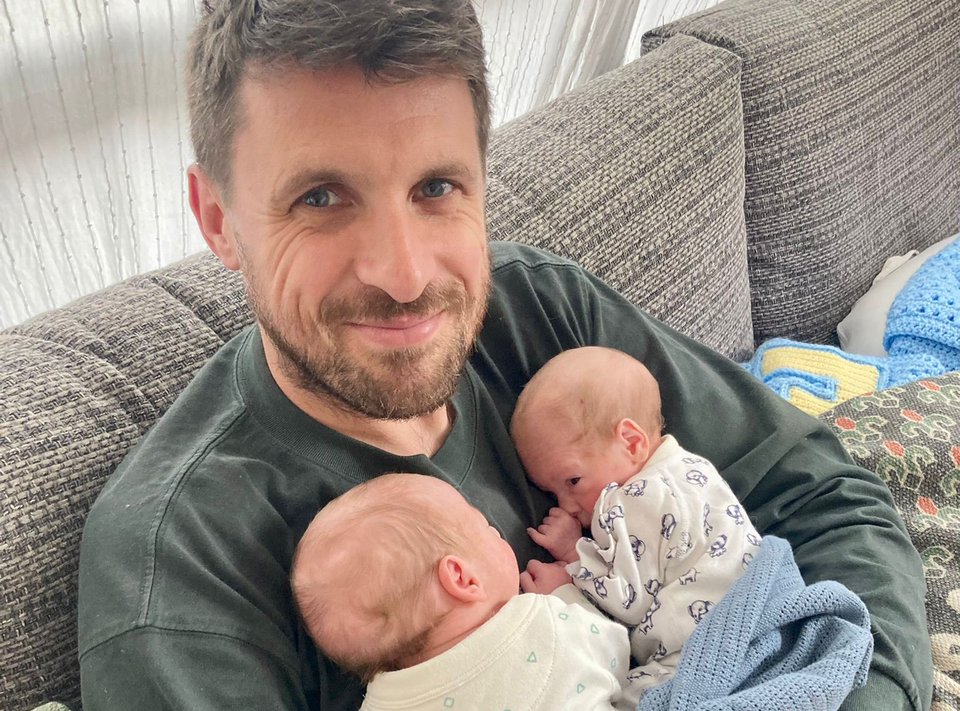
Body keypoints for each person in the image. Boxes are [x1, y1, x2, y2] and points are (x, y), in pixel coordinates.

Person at [76, 1, 929, 710]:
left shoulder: (537, 310)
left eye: (437, 188)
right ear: (218, 217)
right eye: (321, 196)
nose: (405, 275)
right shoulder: (181, 562)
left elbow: (817, 490)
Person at [511, 346, 762, 687]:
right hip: (754, 618)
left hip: (702, 653)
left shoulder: (635, 498)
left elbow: (629, 600)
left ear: (631, 443)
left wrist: (572, 563)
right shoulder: (693, 467)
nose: (566, 505)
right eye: (552, 493)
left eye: (572, 481)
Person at [290, 472, 638, 710]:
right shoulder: (540, 622)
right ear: (461, 578)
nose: (496, 532)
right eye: (485, 527)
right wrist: (566, 594)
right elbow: (616, 650)